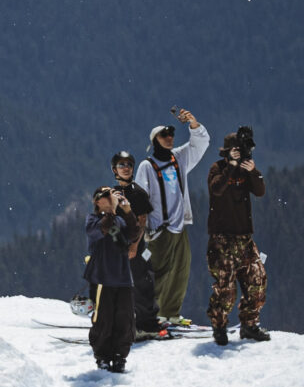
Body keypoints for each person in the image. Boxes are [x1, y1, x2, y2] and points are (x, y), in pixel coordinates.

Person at [137, 109, 209, 330]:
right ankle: (146, 315)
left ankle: (170, 313)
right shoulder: (147, 166)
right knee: (157, 273)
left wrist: (194, 124)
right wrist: (142, 229)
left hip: (179, 226)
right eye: (164, 135)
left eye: (171, 134)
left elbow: (200, 145)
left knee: (180, 271)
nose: (169, 138)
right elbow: (140, 197)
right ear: (155, 140)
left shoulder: (178, 157)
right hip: (159, 228)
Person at [205, 125, 270, 343]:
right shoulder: (217, 168)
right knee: (226, 287)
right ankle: (219, 327)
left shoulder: (245, 170)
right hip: (222, 238)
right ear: (227, 152)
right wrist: (231, 167)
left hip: (244, 237)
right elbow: (216, 189)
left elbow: (260, 191)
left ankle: (249, 325)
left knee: (257, 280)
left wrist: (253, 171)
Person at [83, 185, 139, 371]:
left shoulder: (120, 220)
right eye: (107, 195)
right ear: (97, 201)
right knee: (103, 319)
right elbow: (102, 229)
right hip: (102, 278)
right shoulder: (93, 220)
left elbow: (134, 234)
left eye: (112, 195)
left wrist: (128, 211)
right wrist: (113, 211)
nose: (111, 198)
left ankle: (120, 356)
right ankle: (102, 356)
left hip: (123, 277)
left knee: (125, 318)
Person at [109, 151, 163, 338]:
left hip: (135, 247)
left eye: (129, 165)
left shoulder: (138, 193)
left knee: (142, 284)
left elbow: (142, 220)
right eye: (121, 165)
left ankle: (147, 324)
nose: (126, 168)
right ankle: (124, 322)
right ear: (114, 169)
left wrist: (133, 246)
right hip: (117, 247)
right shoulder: (113, 193)